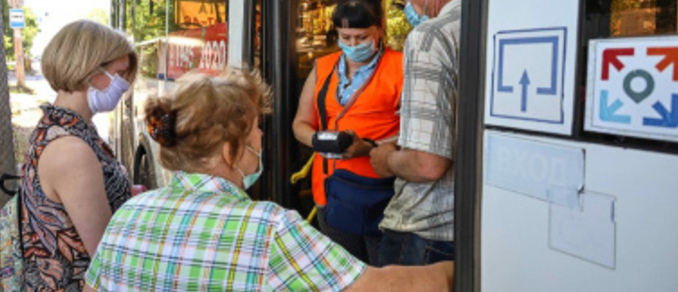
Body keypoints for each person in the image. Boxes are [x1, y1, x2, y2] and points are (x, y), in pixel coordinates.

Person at [82, 68, 452, 292]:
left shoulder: (130, 213)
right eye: (255, 130)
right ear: (229, 150)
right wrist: (459, 269)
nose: (261, 139)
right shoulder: (269, 228)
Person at [20, 20, 137, 291]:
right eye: (120, 73)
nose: (125, 84)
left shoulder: (62, 126)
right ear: (89, 71)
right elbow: (104, 255)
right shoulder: (71, 150)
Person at [292, 0, 403, 265]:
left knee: (382, 273)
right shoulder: (324, 67)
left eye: (361, 37)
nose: (353, 45)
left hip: (382, 191)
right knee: (342, 272)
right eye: (346, 37)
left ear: (379, 29)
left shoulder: (401, 66)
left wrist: (369, 148)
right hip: (330, 190)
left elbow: (417, 133)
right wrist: (319, 141)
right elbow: (301, 123)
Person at [369, 0, 462, 266]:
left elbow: (428, 164)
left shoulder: (432, 35)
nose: (405, 7)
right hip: (467, 225)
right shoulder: (491, 21)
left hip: (426, 229)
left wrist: (386, 160)